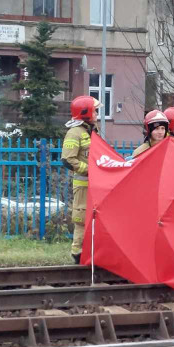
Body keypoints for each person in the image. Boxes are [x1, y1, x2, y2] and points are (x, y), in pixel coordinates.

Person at [61, 96, 99, 264]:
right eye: (95, 110)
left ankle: (90, 252)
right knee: (81, 218)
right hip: (83, 184)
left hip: (94, 183)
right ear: (86, 113)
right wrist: (89, 170)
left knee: (93, 218)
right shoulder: (74, 133)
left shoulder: (89, 130)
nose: (97, 113)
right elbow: (68, 159)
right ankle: (77, 253)